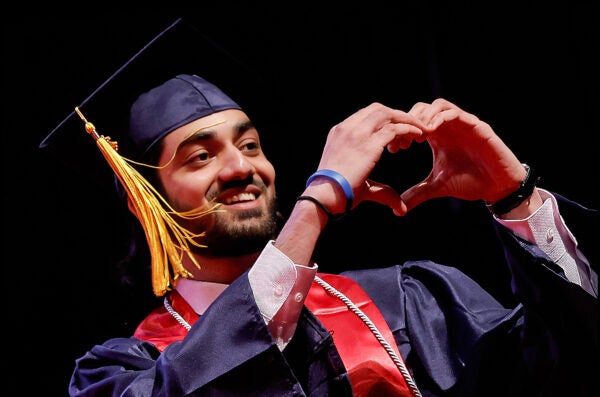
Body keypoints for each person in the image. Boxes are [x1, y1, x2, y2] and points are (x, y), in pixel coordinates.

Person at [41, 18, 597, 397]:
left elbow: (569, 364)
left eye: (251, 144)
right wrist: (315, 205)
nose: (241, 168)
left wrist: (516, 198)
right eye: (200, 157)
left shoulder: (412, 299)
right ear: (147, 201)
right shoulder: (122, 373)